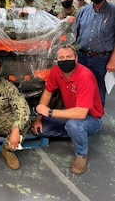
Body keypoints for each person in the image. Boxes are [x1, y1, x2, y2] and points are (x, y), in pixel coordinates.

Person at [32, 45, 104, 175]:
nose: (65, 60)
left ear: (76, 59)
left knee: (74, 125)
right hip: (70, 113)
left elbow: (81, 113)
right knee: (41, 129)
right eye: (61, 58)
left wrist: (49, 112)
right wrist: (38, 118)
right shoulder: (56, 71)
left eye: (69, 57)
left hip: (91, 118)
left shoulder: (85, 76)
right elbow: (47, 93)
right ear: (57, 60)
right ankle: (75, 135)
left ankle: (81, 154)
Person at [76, 0, 115, 106]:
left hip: (101, 58)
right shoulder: (83, 11)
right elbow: (74, 33)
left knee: (98, 89)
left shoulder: (113, 12)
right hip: (81, 57)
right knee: (80, 87)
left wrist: (113, 60)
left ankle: (96, 118)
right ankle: (81, 113)